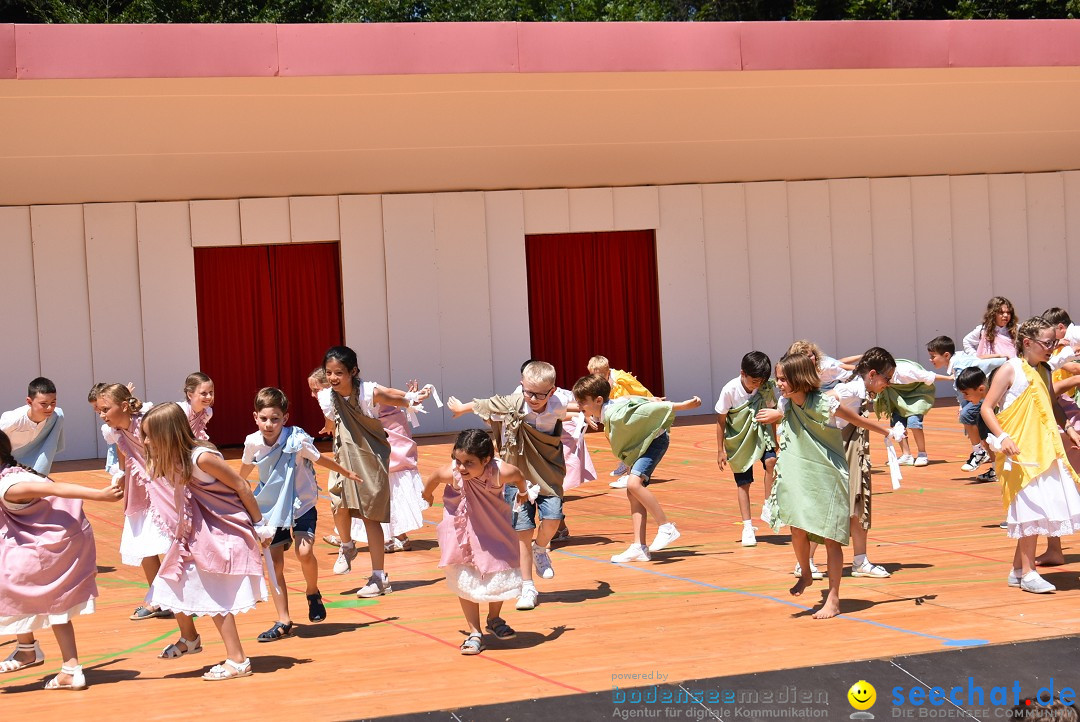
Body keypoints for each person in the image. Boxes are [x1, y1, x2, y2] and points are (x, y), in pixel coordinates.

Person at [140, 402, 270, 681]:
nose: (147, 441)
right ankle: (191, 639)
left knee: (213, 595)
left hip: (225, 531)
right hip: (202, 534)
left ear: (167, 434)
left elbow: (241, 485)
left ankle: (237, 660)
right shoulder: (176, 459)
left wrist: (260, 525)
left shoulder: (200, 458)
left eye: (150, 435)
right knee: (178, 583)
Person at [0, 430, 123, 690]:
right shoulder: (10, 473)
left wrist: (101, 495)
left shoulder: (12, 485)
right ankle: (42, 656)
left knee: (28, 592)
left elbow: (56, 488)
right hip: (52, 538)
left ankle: (51, 660)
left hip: (54, 544)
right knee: (52, 603)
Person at [239, 387, 363, 641]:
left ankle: (312, 591)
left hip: (301, 505)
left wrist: (346, 472)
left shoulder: (296, 440)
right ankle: (283, 620)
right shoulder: (252, 442)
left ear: (284, 418)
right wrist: (226, 492)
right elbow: (242, 473)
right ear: (255, 417)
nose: (269, 424)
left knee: (304, 552)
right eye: (263, 418)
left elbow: (320, 460)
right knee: (275, 565)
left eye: (275, 418)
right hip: (272, 510)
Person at [448, 361, 567, 611]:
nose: (532, 398)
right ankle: (527, 587)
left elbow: (578, 405)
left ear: (552, 391)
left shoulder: (559, 404)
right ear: (522, 385)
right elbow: (486, 403)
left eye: (539, 394)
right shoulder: (513, 402)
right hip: (518, 475)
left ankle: (541, 549)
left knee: (553, 520)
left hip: (548, 475)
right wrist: (461, 408)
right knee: (523, 532)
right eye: (528, 392)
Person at [980, 317, 1080, 594]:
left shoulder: (1045, 371)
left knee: (1038, 509)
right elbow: (987, 408)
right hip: (1018, 451)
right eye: (1047, 343)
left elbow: (1051, 405)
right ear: (1027, 343)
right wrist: (1002, 437)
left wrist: (1069, 429)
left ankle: (1017, 570)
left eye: (1053, 342)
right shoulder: (1009, 369)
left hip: (1044, 449)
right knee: (1030, 510)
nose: (1052, 347)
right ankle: (1029, 573)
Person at [318, 345, 428, 598]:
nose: (333, 378)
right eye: (329, 373)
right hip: (344, 457)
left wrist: (411, 399)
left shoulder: (368, 392)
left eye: (339, 373)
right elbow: (330, 419)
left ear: (353, 371)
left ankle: (379, 577)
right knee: (338, 505)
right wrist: (326, 428)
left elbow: (391, 395)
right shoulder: (327, 397)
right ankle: (347, 546)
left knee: (371, 517)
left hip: (370, 458)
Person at [572, 374, 701, 563]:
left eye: (582, 402)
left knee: (633, 484)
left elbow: (649, 410)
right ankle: (639, 547)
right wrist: (650, 398)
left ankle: (666, 526)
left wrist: (682, 406)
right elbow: (628, 399)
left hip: (654, 442)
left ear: (598, 400)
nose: (579, 405)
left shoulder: (616, 413)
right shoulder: (608, 408)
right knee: (633, 494)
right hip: (641, 443)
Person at [422, 429, 527, 655]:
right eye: (457, 460)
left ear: (486, 460)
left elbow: (519, 475)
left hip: (493, 527)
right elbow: (433, 477)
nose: (461, 467)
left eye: (469, 463)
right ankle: (475, 632)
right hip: (461, 530)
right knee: (465, 576)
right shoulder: (453, 474)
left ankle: (494, 618)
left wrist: (524, 493)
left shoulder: (500, 472)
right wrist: (427, 494)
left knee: (498, 569)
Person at [763, 353, 850, 619]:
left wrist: (887, 433)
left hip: (827, 476)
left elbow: (858, 420)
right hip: (802, 475)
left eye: (783, 379)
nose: (778, 383)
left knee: (831, 539)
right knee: (797, 528)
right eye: (777, 378)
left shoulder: (826, 403)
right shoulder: (786, 404)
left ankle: (833, 598)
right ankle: (807, 573)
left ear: (798, 379)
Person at [97, 383, 173, 621]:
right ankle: (158, 597)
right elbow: (124, 453)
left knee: (172, 543)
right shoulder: (118, 431)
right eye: (99, 410)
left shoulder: (145, 424)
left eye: (105, 409)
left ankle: (175, 596)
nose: (101, 415)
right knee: (145, 545)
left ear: (123, 406)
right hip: (140, 489)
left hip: (163, 487)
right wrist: (120, 475)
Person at [715, 351, 778, 547]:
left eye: (761, 381)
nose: (757, 385)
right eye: (754, 381)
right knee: (744, 483)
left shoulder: (766, 388)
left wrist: (775, 442)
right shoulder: (729, 390)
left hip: (762, 434)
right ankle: (747, 526)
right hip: (739, 441)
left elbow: (773, 413)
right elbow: (721, 420)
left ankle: (768, 504)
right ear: (743, 373)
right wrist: (720, 450)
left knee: (771, 462)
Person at [926, 335, 1006, 478]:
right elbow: (979, 359)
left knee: (968, 416)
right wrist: (1001, 357)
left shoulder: (959, 366)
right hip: (982, 394)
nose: (930, 360)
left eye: (933, 356)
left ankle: (979, 452)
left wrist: (964, 406)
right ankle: (994, 468)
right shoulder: (960, 358)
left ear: (946, 355)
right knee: (984, 433)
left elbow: (966, 388)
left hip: (984, 395)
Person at [586, 355, 653, 487]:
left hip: (628, 415)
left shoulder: (621, 379)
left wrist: (654, 404)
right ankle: (625, 462)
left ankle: (630, 474)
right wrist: (588, 416)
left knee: (628, 442)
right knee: (612, 437)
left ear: (608, 372)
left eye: (600, 377)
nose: (596, 381)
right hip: (613, 417)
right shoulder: (597, 381)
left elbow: (640, 392)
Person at [1, 377, 64, 475]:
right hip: (7, 464)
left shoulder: (56, 417)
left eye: (53, 402)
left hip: (33, 466)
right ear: (29, 402)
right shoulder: (12, 420)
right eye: (43, 403)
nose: (49, 407)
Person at [178, 372, 215, 441]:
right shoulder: (181, 411)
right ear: (190, 395)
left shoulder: (208, 412)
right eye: (203, 393)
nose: (209, 397)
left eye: (211, 392)